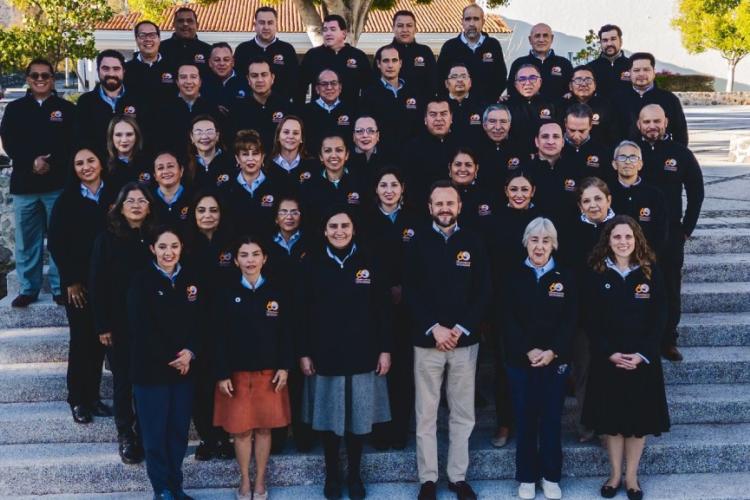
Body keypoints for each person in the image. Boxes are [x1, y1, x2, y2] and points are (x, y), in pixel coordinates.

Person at [296, 207, 392, 500]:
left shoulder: (369, 261)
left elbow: (382, 310)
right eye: (333, 225)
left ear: (354, 229)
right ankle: (332, 475)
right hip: (325, 356)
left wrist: (385, 349)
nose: (339, 231)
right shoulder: (312, 263)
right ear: (324, 230)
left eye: (345, 225)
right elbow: (302, 312)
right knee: (329, 421)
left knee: (358, 420)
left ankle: (354, 475)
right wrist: (304, 352)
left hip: (363, 354)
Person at [404, 181, 491, 500]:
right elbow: (410, 291)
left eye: (450, 203)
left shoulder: (474, 242)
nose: (444, 208)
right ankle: (428, 479)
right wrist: (434, 327)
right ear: (429, 207)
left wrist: (460, 327)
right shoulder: (417, 242)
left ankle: (457, 477)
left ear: (459, 206)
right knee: (425, 414)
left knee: (462, 413)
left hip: (464, 343)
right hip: (427, 342)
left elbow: (484, 290)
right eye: (438, 203)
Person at [582, 215, 670, 500]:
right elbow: (590, 319)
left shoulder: (650, 272)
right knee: (612, 420)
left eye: (628, 237)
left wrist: (643, 353)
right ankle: (614, 475)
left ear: (637, 240)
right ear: (608, 240)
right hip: (609, 359)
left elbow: (660, 318)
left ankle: (632, 477)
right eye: (617, 236)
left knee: (638, 422)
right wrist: (609, 352)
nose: (623, 242)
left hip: (641, 360)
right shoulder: (596, 272)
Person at [502, 217, 577, 500]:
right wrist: (527, 350)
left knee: (550, 420)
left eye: (546, 241)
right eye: (534, 240)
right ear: (526, 242)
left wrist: (553, 351)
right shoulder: (512, 275)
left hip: (554, 362)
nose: (540, 246)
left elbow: (570, 320)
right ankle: (526, 477)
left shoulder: (565, 277)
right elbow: (506, 318)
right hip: (520, 361)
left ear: (554, 245)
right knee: (524, 418)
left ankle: (551, 476)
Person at [213, 235, 293, 500]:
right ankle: (244, 481)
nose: (250, 260)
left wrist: (284, 366)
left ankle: (260, 481)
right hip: (236, 375)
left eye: (255, 254)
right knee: (242, 431)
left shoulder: (277, 291)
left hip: (269, 374)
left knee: (264, 429)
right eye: (244, 255)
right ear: (236, 261)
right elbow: (218, 336)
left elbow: (286, 333)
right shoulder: (226, 293)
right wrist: (222, 372)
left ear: (264, 258)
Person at [127, 225, 199, 500]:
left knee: (178, 433)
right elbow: (141, 328)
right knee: (155, 435)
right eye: (163, 247)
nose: (169, 252)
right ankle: (162, 489)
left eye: (174, 246)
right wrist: (173, 358)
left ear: (181, 248)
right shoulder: (140, 281)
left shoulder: (191, 280)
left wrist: (190, 352)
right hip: (151, 372)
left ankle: (176, 485)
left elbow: (201, 321)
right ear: (152, 249)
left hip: (184, 369)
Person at [0, 58, 77, 307]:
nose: (41, 80)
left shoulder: (66, 109)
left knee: (59, 240)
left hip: (57, 186)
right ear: (28, 79)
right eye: (36, 76)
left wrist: (50, 164)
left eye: (45, 75)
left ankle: (58, 287)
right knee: (26, 242)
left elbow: (72, 145)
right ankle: (28, 288)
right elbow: (9, 143)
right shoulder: (15, 109)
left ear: (53, 78)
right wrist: (31, 162)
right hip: (25, 187)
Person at [89, 182, 156, 464]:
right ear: (120, 206)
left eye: (142, 200)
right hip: (118, 323)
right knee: (123, 382)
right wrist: (102, 325)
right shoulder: (107, 239)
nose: (137, 205)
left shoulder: (157, 237)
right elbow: (96, 283)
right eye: (131, 201)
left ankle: (146, 432)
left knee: (149, 380)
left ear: (149, 206)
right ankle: (126, 434)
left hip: (153, 324)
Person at [48, 148, 113, 424]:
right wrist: (71, 281)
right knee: (82, 341)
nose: (86, 167)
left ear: (100, 163)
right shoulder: (67, 200)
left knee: (100, 342)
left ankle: (94, 396)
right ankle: (78, 399)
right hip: (80, 284)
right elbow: (57, 244)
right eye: (79, 163)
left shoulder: (114, 194)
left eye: (90, 161)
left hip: (108, 282)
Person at [636, 104, 704, 361]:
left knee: (669, 288)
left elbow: (696, 192)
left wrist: (687, 228)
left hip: (670, 235)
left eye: (657, 121)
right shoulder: (631, 151)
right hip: (634, 235)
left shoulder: (680, 154)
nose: (652, 126)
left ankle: (668, 340)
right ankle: (642, 338)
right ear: (638, 124)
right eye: (646, 121)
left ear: (665, 122)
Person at [365, 166, 421, 450]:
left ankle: (399, 431)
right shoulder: (365, 220)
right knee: (379, 369)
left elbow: (423, 263)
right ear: (376, 189)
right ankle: (379, 432)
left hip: (407, 308)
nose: (389, 190)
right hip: (374, 305)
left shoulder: (415, 220)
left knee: (403, 372)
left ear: (402, 188)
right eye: (383, 185)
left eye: (394, 185)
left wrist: (404, 289)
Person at [486, 171, 541, 448]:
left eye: (524, 189)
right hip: (502, 305)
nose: (519, 194)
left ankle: (534, 423)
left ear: (532, 191)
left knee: (537, 365)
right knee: (505, 367)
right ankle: (505, 423)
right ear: (505, 191)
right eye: (514, 189)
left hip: (537, 304)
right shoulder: (494, 221)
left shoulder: (542, 221)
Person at [184, 190, 236, 462]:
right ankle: (207, 437)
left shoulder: (231, 243)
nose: (207, 215)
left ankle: (224, 437)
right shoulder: (185, 244)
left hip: (229, 323)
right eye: (202, 210)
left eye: (213, 210)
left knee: (224, 382)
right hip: (195, 324)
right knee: (201, 386)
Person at [266, 196, 314, 453]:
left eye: (294, 212)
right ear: (276, 217)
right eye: (283, 212)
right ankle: (278, 435)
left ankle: (304, 434)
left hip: (304, 316)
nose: (289, 216)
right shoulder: (266, 246)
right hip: (273, 318)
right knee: (277, 376)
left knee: (302, 379)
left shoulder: (310, 244)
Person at [77, 50, 148, 159]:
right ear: (98, 71)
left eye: (116, 69)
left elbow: (145, 135)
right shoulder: (85, 102)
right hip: (100, 169)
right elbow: (82, 140)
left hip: (134, 166)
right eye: (105, 68)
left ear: (123, 71)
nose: (111, 74)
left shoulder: (139, 100)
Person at [359, 45, 423, 154]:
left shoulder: (414, 92)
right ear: (379, 64)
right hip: (381, 156)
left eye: (394, 60)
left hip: (411, 156)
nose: (390, 65)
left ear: (400, 63)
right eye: (386, 61)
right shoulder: (369, 94)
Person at [437, 4, 507, 103]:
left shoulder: (493, 45)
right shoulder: (449, 47)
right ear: (462, 22)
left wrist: (491, 99)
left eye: (476, 19)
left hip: (485, 106)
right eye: (468, 19)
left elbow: (501, 77)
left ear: (483, 22)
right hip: (456, 107)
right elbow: (440, 78)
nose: (472, 23)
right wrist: (451, 100)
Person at [608, 140, 668, 256]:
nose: (627, 162)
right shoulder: (605, 193)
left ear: (640, 164)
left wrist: (646, 257)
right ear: (614, 164)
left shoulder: (655, 195)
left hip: (645, 258)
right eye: (622, 158)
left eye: (633, 158)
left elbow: (661, 233)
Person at [298, 14, 373, 105]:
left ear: (344, 33)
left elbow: (369, 89)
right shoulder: (312, 55)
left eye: (333, 29)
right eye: (325, 30)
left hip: (351, 115)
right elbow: (300, 87)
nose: (328, 33)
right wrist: (300, 112)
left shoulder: (358, 56)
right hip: (318, 115)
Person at [616, 52, 688, 146]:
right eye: (636, 70)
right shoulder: (617, 100)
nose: (641, 74)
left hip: (662, 156)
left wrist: (677, 155)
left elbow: (680, 133)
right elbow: (612, 134)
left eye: (646, 69)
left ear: (654, 72)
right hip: (629, 158)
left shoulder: (669, 99)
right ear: (629, 73)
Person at [299, 134, 364, 233]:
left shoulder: (360, 183)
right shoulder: (309, 186)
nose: (333, 155)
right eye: (328, 151)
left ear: (346, 155)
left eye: (339, 150)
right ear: (321, 156)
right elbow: (307, 223)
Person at [221, 129, 280, 238]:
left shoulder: (275, 185)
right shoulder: (227, 187)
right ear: (237, 159)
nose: (250, 158)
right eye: (245, 154)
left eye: (255, 153)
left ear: (262, 157)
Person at [400, 98, 459, 206]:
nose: (438, 119)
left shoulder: (461, 145)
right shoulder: (411, 148)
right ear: (425, 119)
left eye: (443, 114)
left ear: (451, 118)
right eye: (433, 114)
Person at [233, 5, 299, 101]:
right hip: (248, 107)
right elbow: (237, 80)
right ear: (254, 25)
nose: (266, 27)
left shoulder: (287, 50)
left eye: (270, 23)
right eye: (262, 23)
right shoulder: (242, 49)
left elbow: (295, 82)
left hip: (280, 108)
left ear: (276, 25)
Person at [229, 57, 292, 153]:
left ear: (272, 78)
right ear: (248, 80)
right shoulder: (237, 109)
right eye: (254, 76)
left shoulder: (287, 106)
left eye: (264, 75)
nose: (259, 79)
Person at [157, 63, 221, 154]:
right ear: (177, 82)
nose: (188, 81)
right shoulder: (165, 108)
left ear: (200, 82)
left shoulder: (211, 108)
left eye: (193, 77)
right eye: (183, 77)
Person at [525, 122, 579, 227]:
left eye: (556, 137)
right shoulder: (524, 172)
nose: (550, 142)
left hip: (570, 232)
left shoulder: (576, 169)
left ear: (563, 142)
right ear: (536, 141)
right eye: (545, 136)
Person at [556, 66, 620, 148]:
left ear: (595, 85)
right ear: (570, 86)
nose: (583, 84)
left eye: (588, 80)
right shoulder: (561, 105)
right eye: (578, 80)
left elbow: (613, 137)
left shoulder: (606, 106)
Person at [508, 23, 573, 101]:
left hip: (558, 112)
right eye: (537, 36)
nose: (541, 40)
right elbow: (512, 93)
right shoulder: (518, 64)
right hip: (525, 112)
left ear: (552, 38)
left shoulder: (564, 64)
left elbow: (571, 91)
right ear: (530, 39)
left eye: (545, 35)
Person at [384, 9, 438, 99]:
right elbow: (375, 85)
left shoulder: (425, 52)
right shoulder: (383, 53)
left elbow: (434, 83)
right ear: (393, 28)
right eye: (400, 26)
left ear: (415, 29)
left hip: (421, 108)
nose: (405, 30)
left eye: (409, 26)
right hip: (390, 107)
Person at [301, 68, 356, 155]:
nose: (329, 87)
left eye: (334, 83)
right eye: (324, 84)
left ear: (340, 87)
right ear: (317, 89)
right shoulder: (304, 112)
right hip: (313, 163)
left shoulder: (352, 111)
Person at [506, 64, 556, 156]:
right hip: (514, 157)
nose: (527, 83)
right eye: (522, 79)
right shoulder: (506, 106)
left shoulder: (551, 104)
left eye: (532, 78)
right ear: (515, 84)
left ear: (540, 82)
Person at [124, 21, 177, 105]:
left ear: (159, 39)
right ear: (136, 39)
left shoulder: (174, 67)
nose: (148, 39)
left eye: (152, 35)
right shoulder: (126, 69)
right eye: (142, 35)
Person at [475, 104, 525, 190]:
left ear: (509, 125)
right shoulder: (474, 150)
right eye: (492, 121)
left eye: (503, 121)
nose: (498, 127)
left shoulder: (522, 149)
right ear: (484, 125)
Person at [560, 102, 613, 183]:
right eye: (572, 130)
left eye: (582, 131)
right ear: (565, 123)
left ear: (590, 126)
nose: (576, 136)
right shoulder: (554, 148)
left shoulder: (602, 151)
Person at [266, 115, 317, 197]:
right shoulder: (266, 165)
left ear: (301, 139)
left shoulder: (313, 165)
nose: (290, 136)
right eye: (286, 132)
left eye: (296, 133)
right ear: (278, 137)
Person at [448, 148, 494, 236]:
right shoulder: (441, 194)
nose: (462, 169)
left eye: (468, 165)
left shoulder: (487, 196)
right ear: (450, 168)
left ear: (476, 169)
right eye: (458, 164)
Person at [105, 115, 153, 195]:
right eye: (118, 135)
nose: (124, 140)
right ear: (111, 137)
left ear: (136, 136)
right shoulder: (104, 167)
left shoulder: (149, 162)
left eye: (129, 134)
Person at [187, 114, 236, 190]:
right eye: (198, 132)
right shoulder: (184, 164)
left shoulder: (232, 161)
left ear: (217, 136)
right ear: (191, 137)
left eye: (209, 132)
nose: (204, 137)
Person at [442, 63, 486, 146]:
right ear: (446, 83)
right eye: (454, 77)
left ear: (470, 82)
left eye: (463, 76)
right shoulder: (439, 105)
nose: (459, 80)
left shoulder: (482, 105)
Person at [159, 7, 212, 74]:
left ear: (197, 25)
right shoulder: (160, 49)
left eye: (190, 21)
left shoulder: (209, 51)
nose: (185, 24)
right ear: (173, 25)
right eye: (180, 21)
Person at [202, 42, 250, 113]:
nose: (222, 63)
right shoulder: (201, 83)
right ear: (210, 63)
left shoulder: (247, 82)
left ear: (233, 62)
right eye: (217, 60)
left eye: (226, 59)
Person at [150, 151, 193, 230]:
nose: (166, 171)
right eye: (160, 168)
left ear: (181, 171)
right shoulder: (148, 199)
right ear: (155, 175)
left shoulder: (193, 197)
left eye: (170, 166)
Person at [587, 24, 631, 98]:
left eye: (613, 39)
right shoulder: (590, 68)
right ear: (600, 43)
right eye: (605, 40)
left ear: (621, 41)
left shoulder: (632, 66)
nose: (609, 43)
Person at [348, 115, 392, 190]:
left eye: (371, 131)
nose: (365, 135)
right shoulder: (344, 159)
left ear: (377, 135)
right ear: (354, 136)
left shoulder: (390, 159)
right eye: (359, 131)